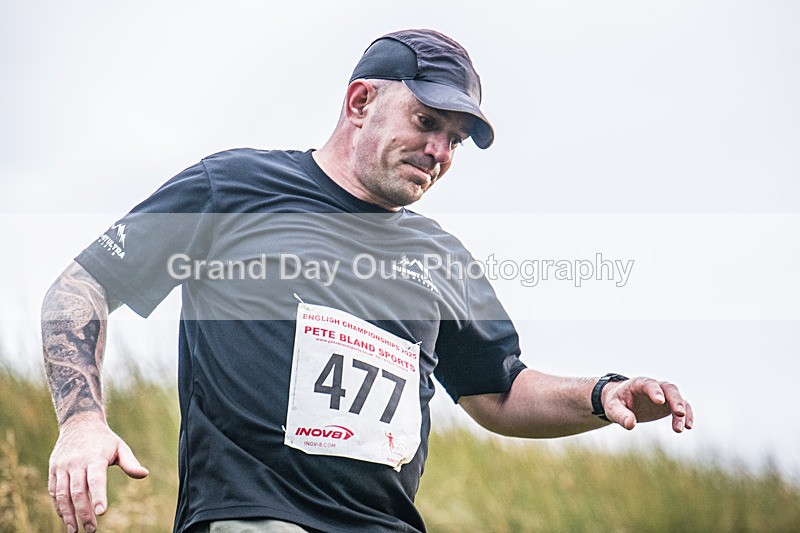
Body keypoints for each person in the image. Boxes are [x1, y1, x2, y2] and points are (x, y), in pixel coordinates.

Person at [41, 29, 693, 533]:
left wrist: (604, 392)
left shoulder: (440, 255)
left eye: (456, 139)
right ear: (361, 100)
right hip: (261, 515)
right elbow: (81, 288)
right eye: (427, 122)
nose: (440, 151)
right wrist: (82, 422)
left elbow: (498, 389)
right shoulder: (234, 186)